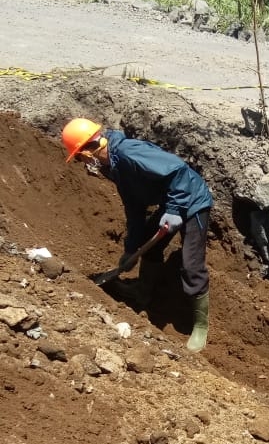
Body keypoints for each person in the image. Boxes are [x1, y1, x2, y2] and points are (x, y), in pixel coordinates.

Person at [61, 117, 213, 352]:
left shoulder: (128, 153)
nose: (84, 163)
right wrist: (131, 248)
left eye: (80, 158)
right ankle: (143, 292)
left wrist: (174, 211)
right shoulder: (113, 166)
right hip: (171, 199)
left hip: (192, 200)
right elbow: (134, 207)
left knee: (191, 265)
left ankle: (201, 325)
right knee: (149, 245)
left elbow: (179, 172)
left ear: (89, 150)